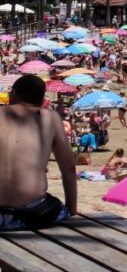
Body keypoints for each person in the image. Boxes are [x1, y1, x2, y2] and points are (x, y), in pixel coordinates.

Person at [0, 74, 76, 230]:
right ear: (42, 101)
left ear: (13, 93)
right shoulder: (51, 118)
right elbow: (68, 168)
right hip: (33, 213)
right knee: (56, 208)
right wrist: (72, 210)